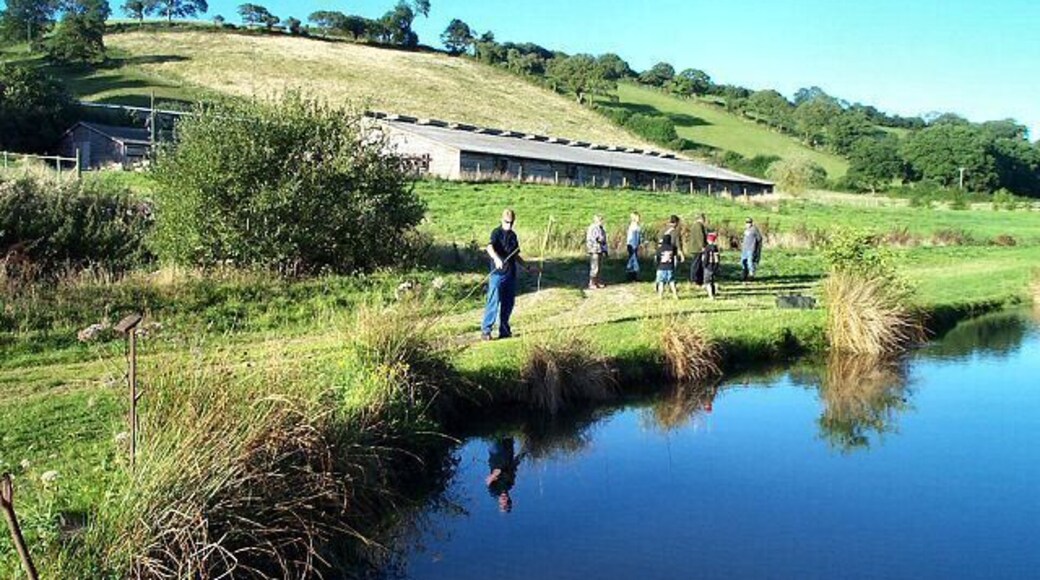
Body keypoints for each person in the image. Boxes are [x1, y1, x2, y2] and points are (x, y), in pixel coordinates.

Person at [482, 209, 533, 341]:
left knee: (508, 303)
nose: (509, 225)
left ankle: (504, 330)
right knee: (493, 301)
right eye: (507, 222)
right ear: (502, 220)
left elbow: (515, 255)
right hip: (497, 274)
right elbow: (489, 247)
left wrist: (526, 266)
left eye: (511, 223)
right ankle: (486, 330)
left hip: (510, 274)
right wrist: (496, 259)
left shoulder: (513, 236)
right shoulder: (496, 233)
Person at [486, 437, 524, 513]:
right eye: (506, 502)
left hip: (496, 454)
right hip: (508, 452)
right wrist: (520, 457)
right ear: (509, 499)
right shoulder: (510, 484)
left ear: (499, 501)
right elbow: (513, 468)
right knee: (508, 431)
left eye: (502, 503)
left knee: (494, 434)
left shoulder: (494, 491)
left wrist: (494, 475)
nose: (504, 501)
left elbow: (487, 481)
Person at [586, 214, 608, 289]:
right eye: (600, 220)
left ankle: (598, 282)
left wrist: (605, 249)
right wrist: (601, 239)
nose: (602, 221)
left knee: (599, 267)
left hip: (600, 249)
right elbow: (596, 238)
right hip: (594, 249)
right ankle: (592, 282)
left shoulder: (601, 228)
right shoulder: (593, 228)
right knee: (594, 267)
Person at [655, 234, 679, 299]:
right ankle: (675, 295)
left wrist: (656, 266)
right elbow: (675, 259)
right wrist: (675, 266)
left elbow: (656, 259)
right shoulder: (673, 248)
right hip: (670, 267)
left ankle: (660, 296)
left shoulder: (659, 248)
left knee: (661, 282)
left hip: (661, 268)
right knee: (672, 282)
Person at [688, 213, 708, 286]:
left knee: (697, 264)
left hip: (695, 248)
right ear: (702, 219)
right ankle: (694, 279)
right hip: (697, 249)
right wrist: (703, 247)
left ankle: (697, 280)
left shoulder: (694, 225)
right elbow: (700, 237)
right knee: (696, 264)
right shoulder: (699, 226)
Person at [741, 217, 763, 282]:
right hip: (744, 249)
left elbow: (759, 239)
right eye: (747, 222)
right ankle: (744, 274)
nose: (748, 224)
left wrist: (757, 247)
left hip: (751, 249)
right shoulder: (746, 230)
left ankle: (751, 275)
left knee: (750, 262)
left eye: (749, 222)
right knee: (743, 262)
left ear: (751, 223)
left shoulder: (754, 230)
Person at [703, 231, 721, 299]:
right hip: (715, 266)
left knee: (707, 282)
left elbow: (706, 258)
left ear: (708, 240)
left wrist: (704, 265)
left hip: (708, 267)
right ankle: (714, 293)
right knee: (713, 281)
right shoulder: (716, 248)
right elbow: (718, 258)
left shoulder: (707, 248)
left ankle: (710, 295)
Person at [625, 212, 643, 282]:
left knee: (633, 260)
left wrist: (639, 243)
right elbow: (632, 237)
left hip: (634, 245)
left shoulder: (636, 226)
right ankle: (631, 276)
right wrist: (633, 246)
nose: (639, 219)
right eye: (638, 217)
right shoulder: (633, 226)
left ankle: (633, 276)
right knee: (633, 260)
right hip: (632, 245)